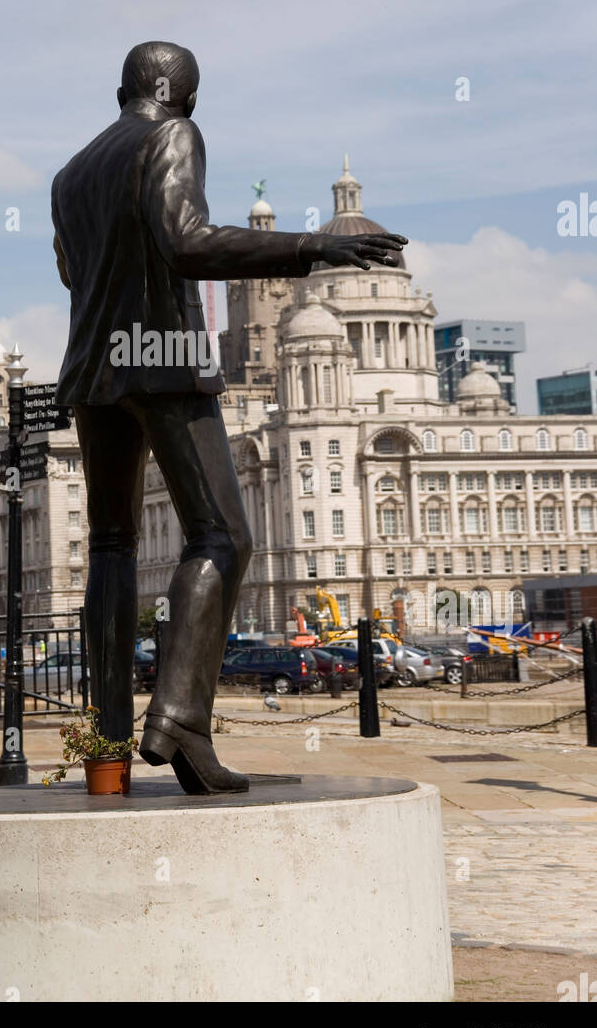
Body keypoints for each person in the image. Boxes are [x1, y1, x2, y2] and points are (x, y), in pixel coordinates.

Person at [51, 41, 406, 793]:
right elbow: (186, 242)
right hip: (164, 355)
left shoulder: (71, 171)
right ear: (186, 97)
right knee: (223, 535)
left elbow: (70, 270)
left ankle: (104, 746)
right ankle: (179, 721)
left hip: (92, 365)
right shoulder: (171, 134)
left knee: (110, 547)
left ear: (122, 90)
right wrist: (313, 245)